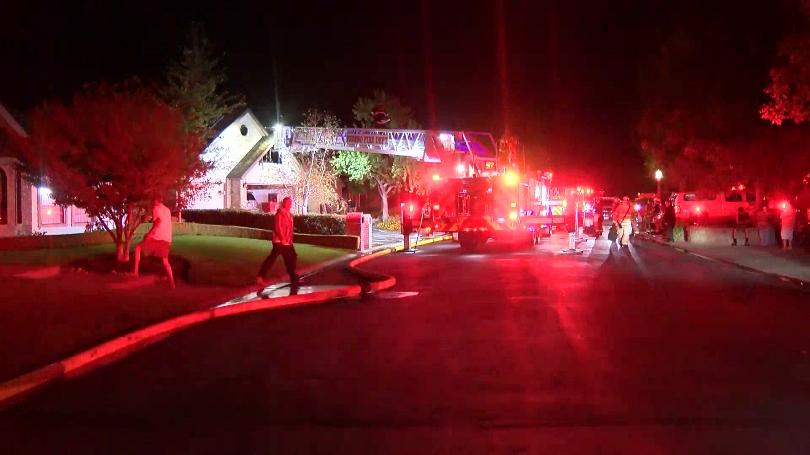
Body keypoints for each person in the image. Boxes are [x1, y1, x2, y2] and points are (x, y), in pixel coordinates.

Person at [131, 196, 175, 288]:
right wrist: (169, 240)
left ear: (156, 200)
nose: (152, 202)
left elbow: (157, 223)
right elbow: (168, 224)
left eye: (153, 200)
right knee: (165, 261)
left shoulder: (156, 208)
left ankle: (135, 272)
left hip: (156, 237)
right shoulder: (167, 210)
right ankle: (172, 283)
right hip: (166, 239)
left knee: (138, 247)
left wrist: (148, 234)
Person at [256, 196, 300, 288]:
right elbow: (278, 226)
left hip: (287, 242)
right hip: (279, 242)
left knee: (291, 257)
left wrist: (288, 239)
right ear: (284, 203)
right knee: (272, 258)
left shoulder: (289, 214)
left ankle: (293, 277)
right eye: (288, 203)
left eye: (290, 203)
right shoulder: (280, 214)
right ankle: (260, 277)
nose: (290, 204)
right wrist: (282, 238)